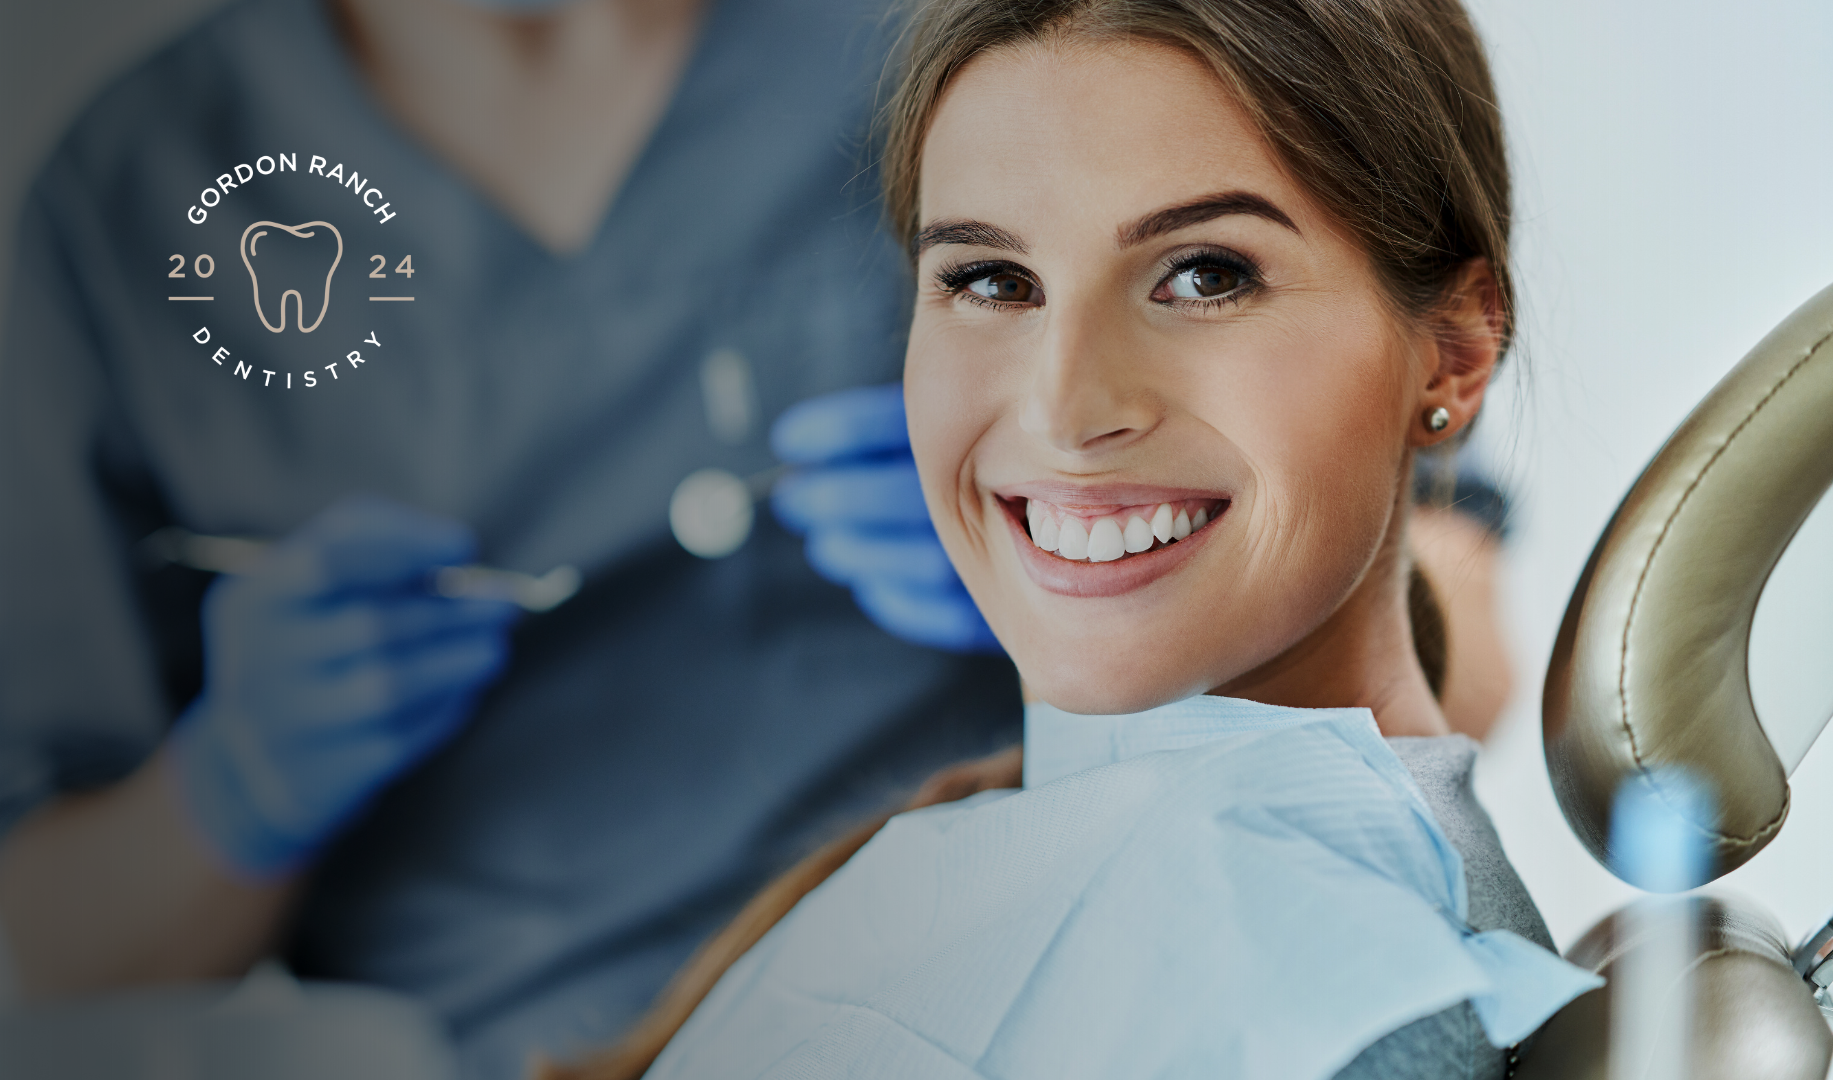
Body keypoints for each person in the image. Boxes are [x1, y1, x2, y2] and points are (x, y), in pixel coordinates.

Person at [566, 1, 1591, 1077]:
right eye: (991, 281)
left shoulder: (1343, 999)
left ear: (1457, 352)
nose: (1063, 410)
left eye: (1205, 274)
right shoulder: (983, 859)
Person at [0, 1, 1023, 1075]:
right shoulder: (137, 188)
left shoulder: (925, 38)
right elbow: (66, 952)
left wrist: (1059, 564)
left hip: (1016, 948)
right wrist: (232, 791)